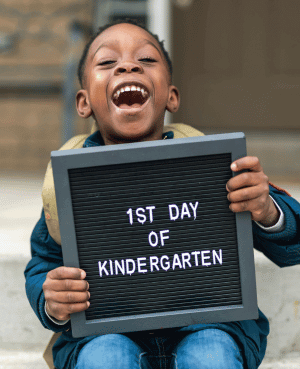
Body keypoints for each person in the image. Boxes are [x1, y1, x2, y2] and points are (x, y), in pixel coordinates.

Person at [24, 19, 300, 369]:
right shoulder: (69, 186)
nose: (128, 65)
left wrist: (266, 210)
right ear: (83, 103)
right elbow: (44, 263)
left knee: (210, 357)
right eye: (107, 62)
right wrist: (53, 301)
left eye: (147, 60)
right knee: (104, 360)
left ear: (171, 96)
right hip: (104, 331)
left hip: (209, 323)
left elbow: (293, 247)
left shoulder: (212, 166)